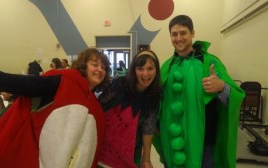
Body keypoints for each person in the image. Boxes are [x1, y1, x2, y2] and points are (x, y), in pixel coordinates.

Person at [0, 48, 111, 168]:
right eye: (94, 64)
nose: (99, 69)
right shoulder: (64, 81)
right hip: (28, 153)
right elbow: (27, 84)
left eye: (103, 67)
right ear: (83, 66)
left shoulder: (94, 104)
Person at [152, 15, 245, 168]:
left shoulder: (209, 62)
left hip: (204, 142)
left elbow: (236, 96)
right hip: (173, 139)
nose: (179, 38)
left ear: (192, 33)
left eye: (183, 33)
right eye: (174, 34)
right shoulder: (167, 66)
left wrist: (222, 87)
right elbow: (158, 100)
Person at [97, 50, 162, 168]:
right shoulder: (118, 86)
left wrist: (146, 160)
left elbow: (148, 127)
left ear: (156, 70)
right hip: (103, 153)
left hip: (130, 155)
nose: (145, 74)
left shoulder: (154, 95)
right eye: (140, 69)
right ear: (134, 70)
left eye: (150, 69)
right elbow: (98, 109)